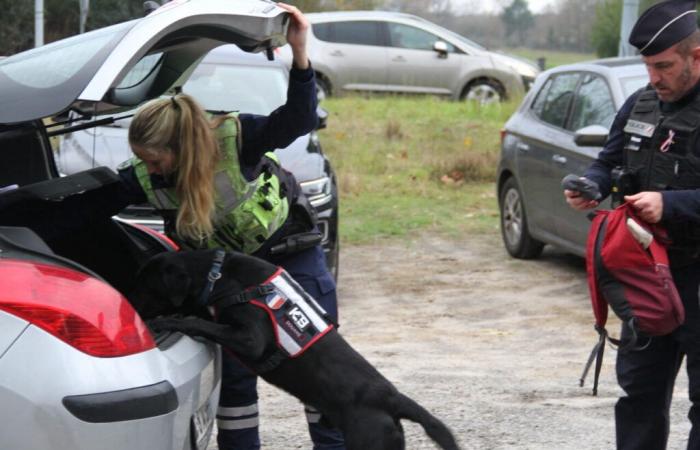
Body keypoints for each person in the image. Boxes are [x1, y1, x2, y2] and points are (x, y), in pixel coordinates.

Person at [100, 3, 346, 449]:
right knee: (234, 387)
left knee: (321, 377)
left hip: (292, 263)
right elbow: (84, 206)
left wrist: (300, 53)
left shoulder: (238, 139)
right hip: (229, 283)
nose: (149, 169)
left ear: (178, 148)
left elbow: (297, 120)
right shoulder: (145, 178)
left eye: (154, 159)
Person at [565, 1, 700, 448]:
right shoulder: (640, 103)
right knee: (639, 395)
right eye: (648, 67)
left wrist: (672, 204)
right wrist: (591, 184)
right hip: (647, 278)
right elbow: (609, 160)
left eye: (664, 66)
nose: (654, 78)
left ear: (696, 56)